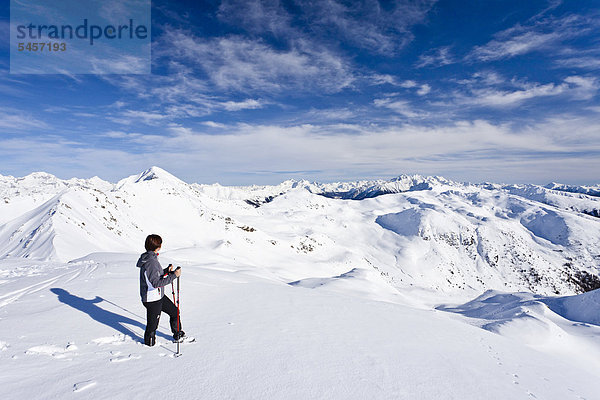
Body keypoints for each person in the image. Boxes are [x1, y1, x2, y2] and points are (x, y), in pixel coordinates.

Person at [136, 234, 184, 346]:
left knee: (174, 312)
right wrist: (174, 276)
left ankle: (178, 334)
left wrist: (166, 271)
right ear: (158, 246)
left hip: (159, 296)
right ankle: (149, 345)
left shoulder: (150, 258)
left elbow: (155, 275)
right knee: (152, 325)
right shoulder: (151, 262)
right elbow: (156, 283)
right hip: (152, 299)